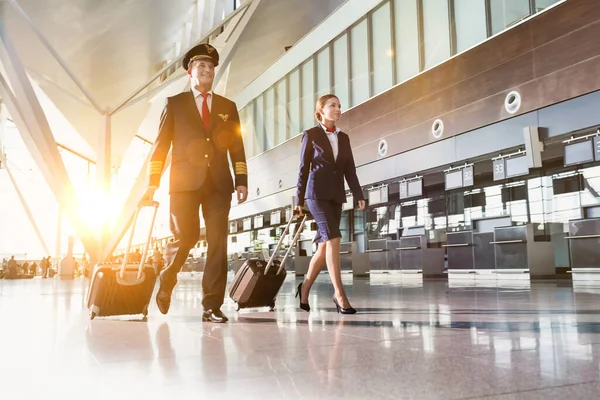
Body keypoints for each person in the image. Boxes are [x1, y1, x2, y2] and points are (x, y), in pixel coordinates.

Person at [143, 43, 248, 323]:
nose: (206, 70)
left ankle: (211, 305)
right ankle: (167, 278)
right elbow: (160, 146)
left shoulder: (228, 107)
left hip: (219, 184)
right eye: (200, 66)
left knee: (217, 244)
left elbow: (237, 146)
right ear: (190, 72)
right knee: (186, 237)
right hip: (184, 184)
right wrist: (152, 183)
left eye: (210, 67)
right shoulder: (174, 104)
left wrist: (241, 180)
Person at [295, 94, 366, 314]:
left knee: (324, 245)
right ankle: (339, 294)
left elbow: (349, 169)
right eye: (332, 105)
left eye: (339, 106)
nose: (337, 109)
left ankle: (304, 288)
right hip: (315, 194)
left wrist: (358, 193)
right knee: (334, 237)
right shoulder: (311, 135)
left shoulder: (343, 138)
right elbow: (303, 168)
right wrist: (298, 199)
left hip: (336, 195)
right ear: (321, 111)